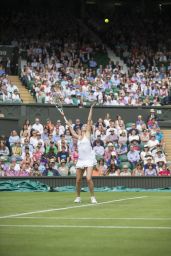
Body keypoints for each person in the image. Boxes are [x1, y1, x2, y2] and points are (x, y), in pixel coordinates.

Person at [61, 103, 97, 203]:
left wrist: (91, 108)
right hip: (81, 160)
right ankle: (78, 197)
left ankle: (92, 197)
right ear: (81, 128)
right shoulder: (78, 136)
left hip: (89, 160)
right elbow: (72, 131)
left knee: (89, 179)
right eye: (84, 126)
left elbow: (89, 120)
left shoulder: (88, 134)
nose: (86, 126)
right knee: (78, 180)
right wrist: (68, 125)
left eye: (86, 126)